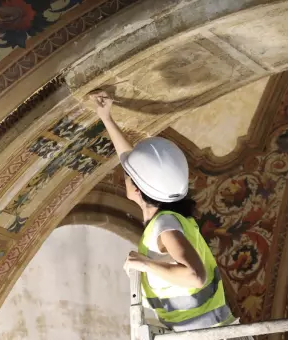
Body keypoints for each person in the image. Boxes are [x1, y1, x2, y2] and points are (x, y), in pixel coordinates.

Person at [91, 90, 253, 339]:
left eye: (129, 176)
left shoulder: (164, 226)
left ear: (137, 189)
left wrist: (144, 264)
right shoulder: (170, 218)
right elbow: (130, 162)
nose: (124, 176)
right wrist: (106, 117)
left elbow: (194, 275)